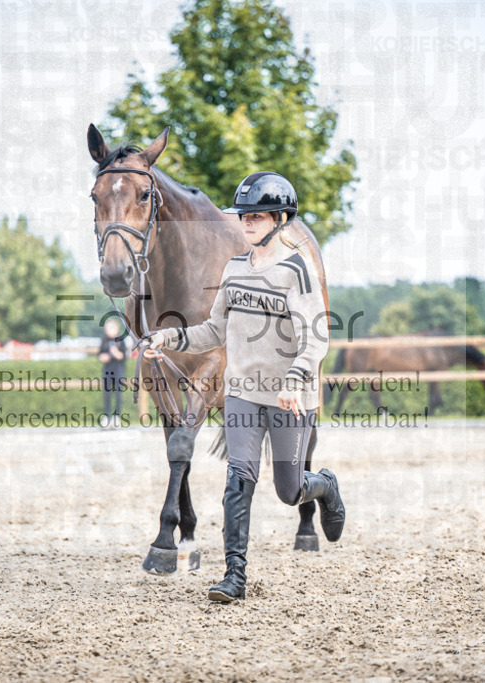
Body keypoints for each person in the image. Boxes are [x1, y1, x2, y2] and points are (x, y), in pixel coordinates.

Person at [144, 171, 345, 603]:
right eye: (243, 216)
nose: (246, 223)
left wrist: (295, 379)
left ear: (279, 218)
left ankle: (325, 485)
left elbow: (317, 336)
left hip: (290, 397)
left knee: (289, 490)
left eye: (255, 216)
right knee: (239, 480)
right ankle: (234, 576)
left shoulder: (297, 269)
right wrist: (170, 338)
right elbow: (215, 329)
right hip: (242, 394)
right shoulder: (234, 268)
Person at [98, 318, 127, 428]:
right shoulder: (104, 340)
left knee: (118, 393)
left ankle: (117, 417)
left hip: (118, 369)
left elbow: (123, 356)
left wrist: (116, 353)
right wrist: (103, 357)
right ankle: (106, 417)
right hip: (107, 369)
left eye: (111, 327)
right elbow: (100, 354)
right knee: (107, 393)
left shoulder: (120, 340)